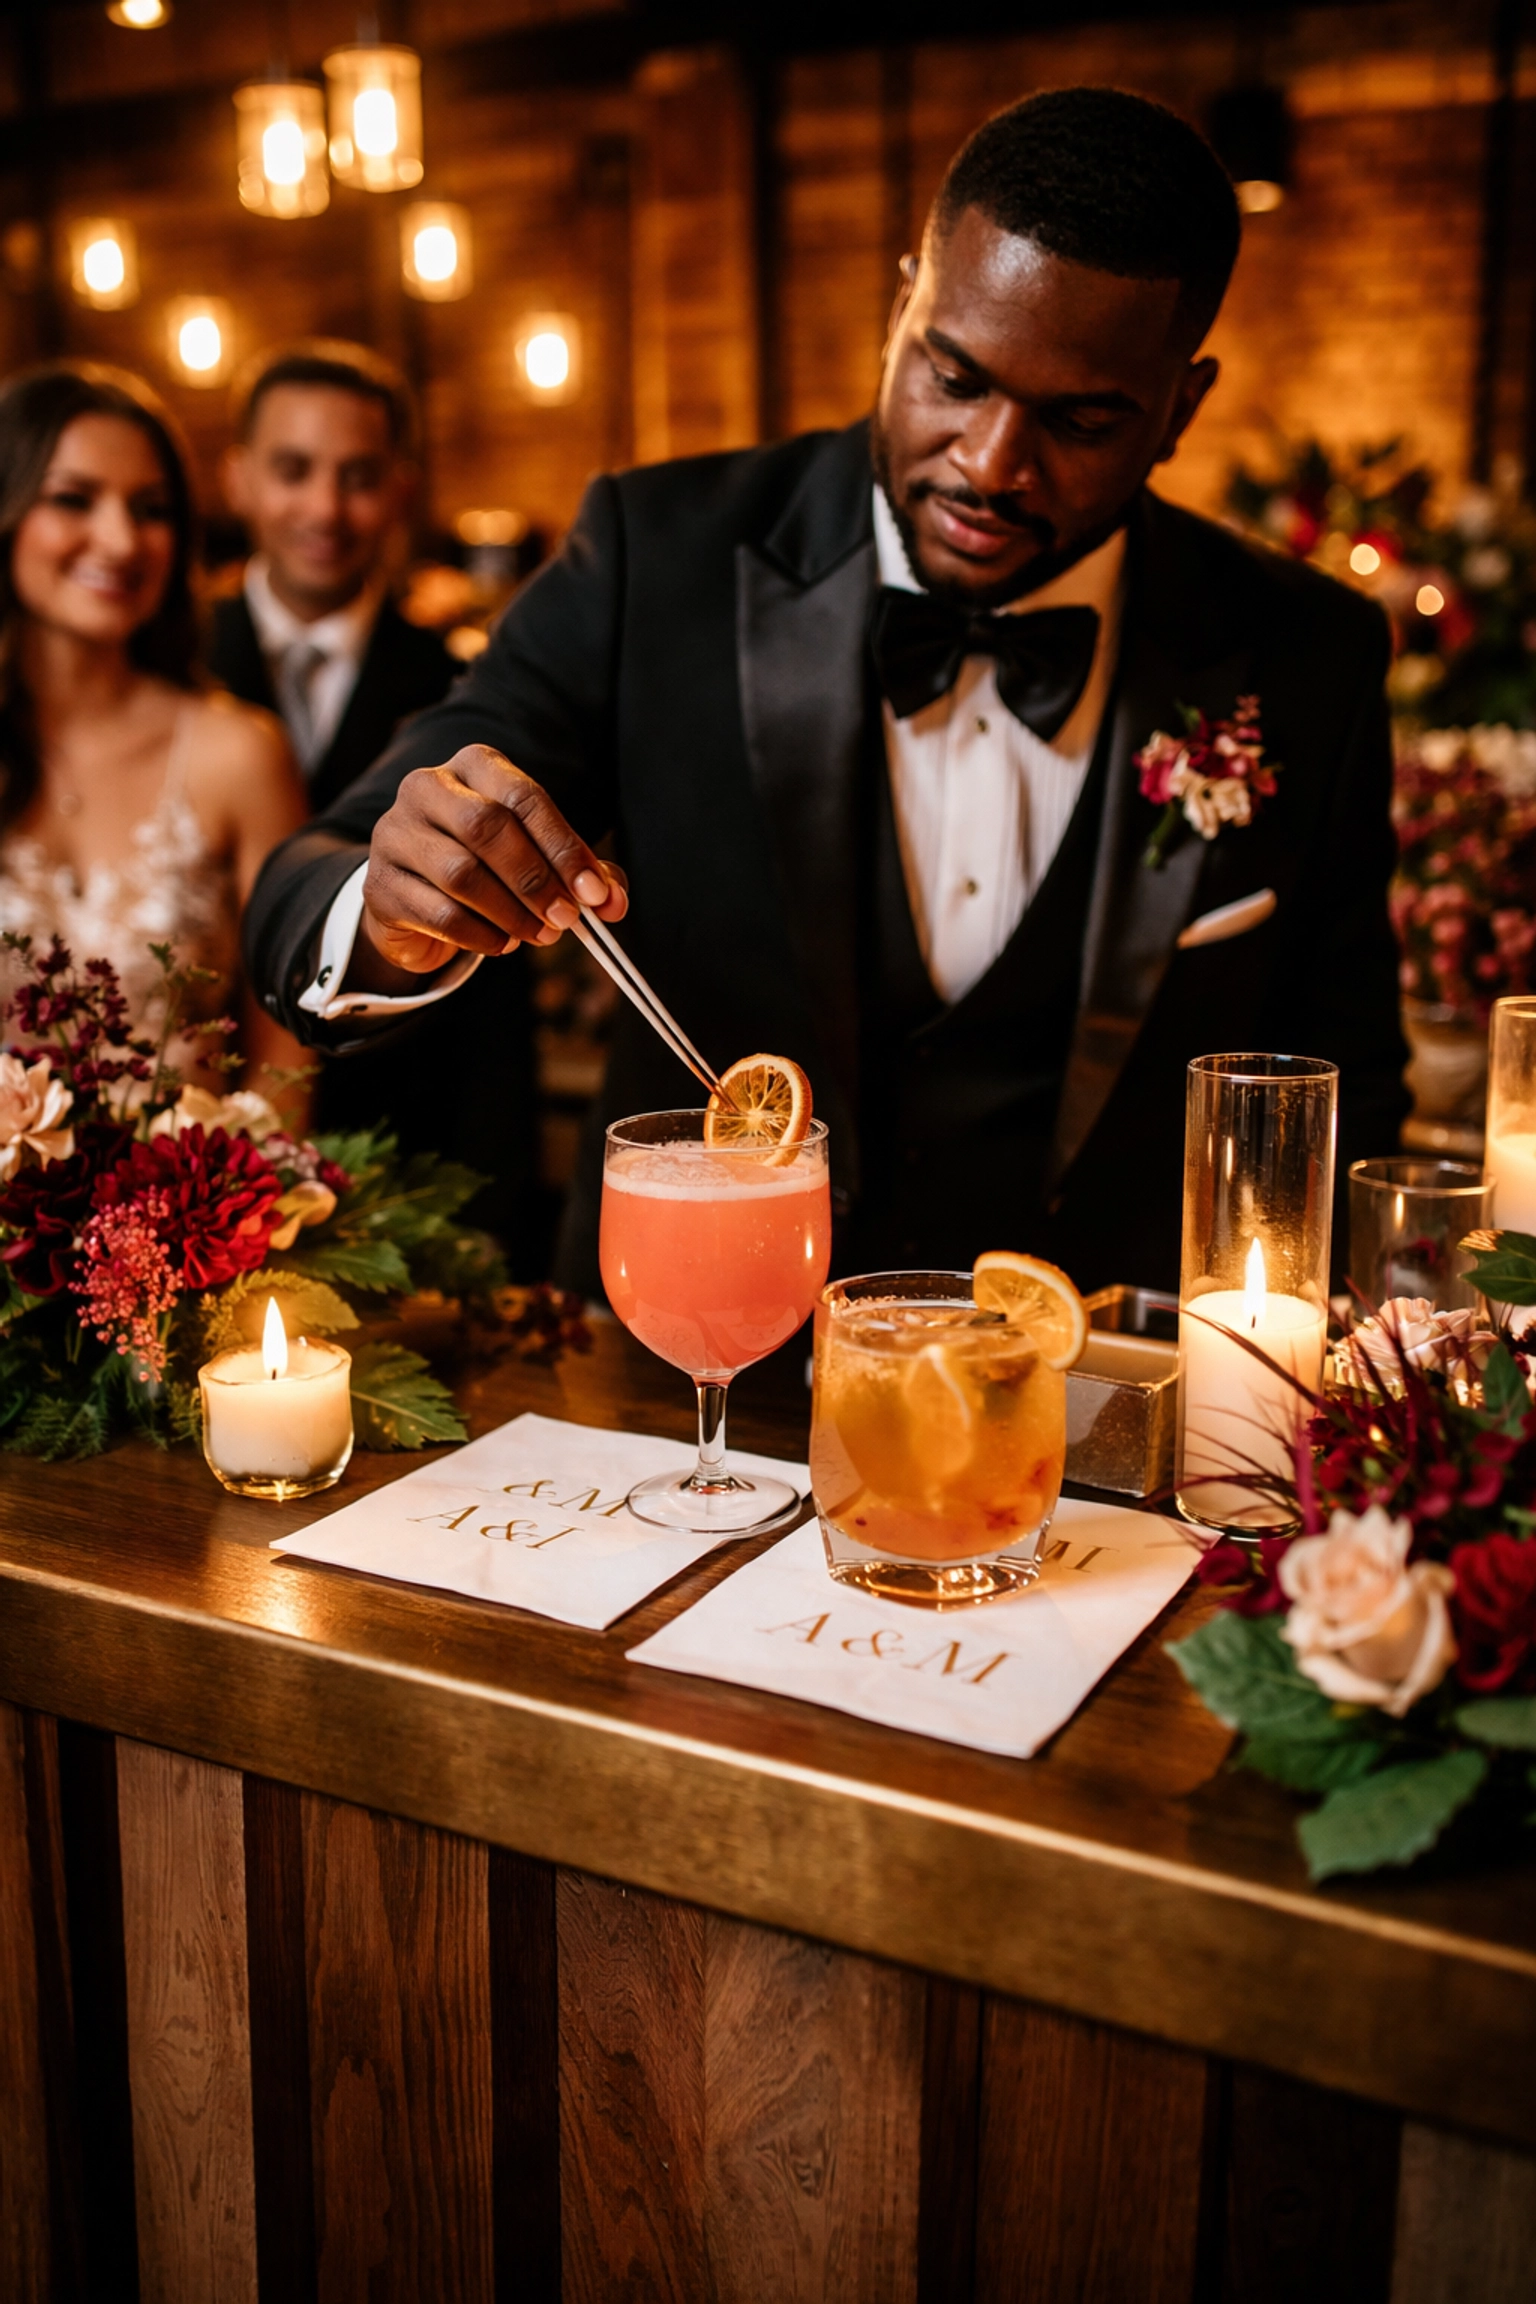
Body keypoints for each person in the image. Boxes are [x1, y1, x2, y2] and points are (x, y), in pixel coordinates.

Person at [246, 88, 1409, 1297]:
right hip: (673, 1399)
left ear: (1182, 406)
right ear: (904, 297)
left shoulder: (1303, 652)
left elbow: (1349, 1095)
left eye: (1080, 419)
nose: (990, 464)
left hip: (1090, 1412)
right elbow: (307, 886)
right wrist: (387, 908)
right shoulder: (659, 555)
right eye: (954, 376)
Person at [213, 340, 538, 1254]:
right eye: (293, 471)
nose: (324, 508)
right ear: (237, 479)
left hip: (405, 1185)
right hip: (198, 1173)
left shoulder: (470, 691)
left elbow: (493, 1018)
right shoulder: (170, 672)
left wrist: (490, 1226)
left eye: (357, 476)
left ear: (400, 488)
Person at [0, 361, 310, 1108]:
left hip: (197, 1211)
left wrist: (254, 1211)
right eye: (74, 499)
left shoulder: (237, 756)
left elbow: (285, 1059)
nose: (120, 540)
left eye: (152, 509)